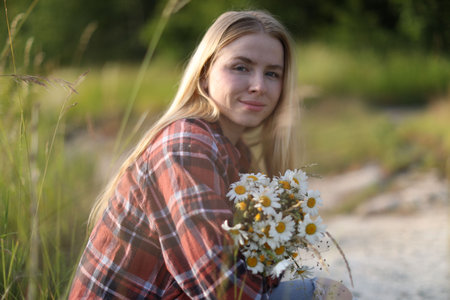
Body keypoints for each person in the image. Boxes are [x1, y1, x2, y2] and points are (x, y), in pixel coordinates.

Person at [69, 10, 352, 299]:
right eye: (241, 67)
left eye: (272, 74)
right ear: (204, 74)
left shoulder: (235, 153)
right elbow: (220, 287)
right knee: (328, 295)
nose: (259, 86)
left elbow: (251, 267)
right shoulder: (186, 146)